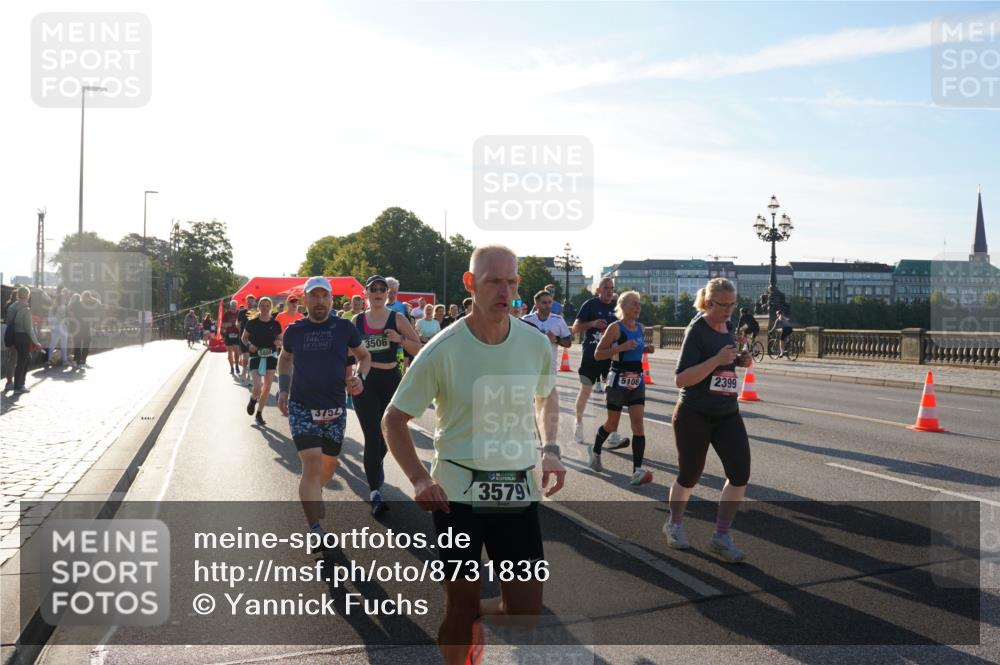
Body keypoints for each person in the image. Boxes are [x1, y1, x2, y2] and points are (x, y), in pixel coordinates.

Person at [382, 245, 566, 665]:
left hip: (517, 490)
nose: (505, 291)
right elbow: (393, 419)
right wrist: (419, 478)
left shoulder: (535, 343)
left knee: (525, 612)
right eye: (493, 281)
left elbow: (546, 394)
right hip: (457, 495)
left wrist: (551, 450)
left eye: (511, 282)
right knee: (459, 604)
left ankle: (474, 617)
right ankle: (464, 625)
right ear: (470, 283)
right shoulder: (441, 349)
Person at [277, 277, 370, 553]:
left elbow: (364, 356)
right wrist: (283, 390)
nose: (319, 301)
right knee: (312, 464)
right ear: (305, 299)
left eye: (324, 296)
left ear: (331, 299)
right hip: (302, 407)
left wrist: (360, 377)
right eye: (314, 296)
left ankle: (314, 493)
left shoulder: (344, 328)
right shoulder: (295, 331)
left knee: (328, 467)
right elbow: (284, 358)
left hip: (335, 408)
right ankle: (315, 529)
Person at [667, 278, 752, 563]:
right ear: (707, 302)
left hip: (727, 413)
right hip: (694, 413)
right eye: (723, 305)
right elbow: (681, 379)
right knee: (690, 475)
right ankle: (674, 524)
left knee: (740, 473)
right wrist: (717, 360)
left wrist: (738, 361)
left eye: (733, 305)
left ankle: (721, 536)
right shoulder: (697, 330)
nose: (729, 311)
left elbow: (724, 365)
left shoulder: (729, 326)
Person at [351, 275, 422, 516]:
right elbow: (349, 353)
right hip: (366, 382)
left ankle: (375, 462)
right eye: (374, 289)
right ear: (367, 293)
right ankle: (375, 493)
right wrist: (350, 378)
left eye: (383, 289)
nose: (379, 292)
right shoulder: (357, 320)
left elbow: (419, 348)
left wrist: (400, 339)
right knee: (372, 436)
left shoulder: (397, 318)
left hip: (391, 382)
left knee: (385, 437)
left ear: (387, 293)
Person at [588, 291, 655, 485]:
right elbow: (598, 354)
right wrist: (620, 347)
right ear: (623, 306)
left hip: (637, 381)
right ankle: (595, 450)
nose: (638, 307)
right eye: (634, 303)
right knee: (612, 424)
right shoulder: (615, 328)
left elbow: (635, 348)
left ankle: (637, 471)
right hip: (617, 380)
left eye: (639, 304)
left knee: (638, 424)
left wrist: (646, 349)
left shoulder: (641, 328)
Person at [571, 278, 627, 449]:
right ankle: (579, 423)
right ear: (598, 290)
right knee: (586, 391)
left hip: (611, 355)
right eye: (606, 288)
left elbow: (625, 327)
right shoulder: (590, 305)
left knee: (613, 394)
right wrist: (592, 323)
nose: (609, 291)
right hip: (591, 355)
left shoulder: (617, 307)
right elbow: (575, 328)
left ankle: (613, 433)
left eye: (611, 288)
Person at [521, 289, 572, 449]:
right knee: (532, 403)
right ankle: (539, 435)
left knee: (543, 404)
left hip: (549, 368)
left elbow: (568, 342)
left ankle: (543, 439)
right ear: (536, 304)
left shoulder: (558, 320)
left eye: (550, 302)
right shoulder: (526, 320)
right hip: (529, 367)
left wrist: (555, 339)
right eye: (544, 303)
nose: (548, 306)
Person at [242, 297, 282, 426]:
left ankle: (259, 413)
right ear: (259, 307)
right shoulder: (252, 323)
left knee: (267, 387)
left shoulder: (275, 324)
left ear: (271, 308)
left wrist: (278, 342)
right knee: (257, 386)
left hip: (271, 356)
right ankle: (253, 399)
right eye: (262, 305)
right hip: (256, 356)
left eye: (267, 305)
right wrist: (249, 345)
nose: (265, 308)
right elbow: (244, 338)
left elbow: (280, 339)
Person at [6, 287, 42, 393]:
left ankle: (13, 383)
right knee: (23, 361)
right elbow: (29, 328)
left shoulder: (12, 306)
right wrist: (36, 342)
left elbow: (9, 322)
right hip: (22, 336)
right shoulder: (26, 309)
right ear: (28, 295)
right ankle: (19, 386)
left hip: (12, 335)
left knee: (18, 359)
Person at [237, 295, 259, 384]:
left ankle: (249, 375)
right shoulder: (242, 312)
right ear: (246, 302)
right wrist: (239, 328)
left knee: (252, 357)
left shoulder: (256, 312)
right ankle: (244, 371)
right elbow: (238, 323)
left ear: (254, 302)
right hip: (244, 337)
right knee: (246, 357)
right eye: (248, 301)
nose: (250, 303)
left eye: (251, 301)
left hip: (254, 338)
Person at [2, 290, 19, 391]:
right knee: (13, 358)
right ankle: (10, 382)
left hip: (6, 331)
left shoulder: (8, 305)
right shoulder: (16, 307)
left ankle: (10, 380)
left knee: (10, 357)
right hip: (13, 333)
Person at [47, 291, 69, 367]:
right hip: (63, 327)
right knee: (64, 345)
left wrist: (51, 327)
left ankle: (49, 360)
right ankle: (64, 361)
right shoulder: (64, 307)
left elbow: (49, 318)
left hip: (55, 326)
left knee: (52, 344)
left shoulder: (52, 308)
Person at [220, 300, 242, 375]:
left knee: (236, 351)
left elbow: (242, 322)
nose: (233, 307)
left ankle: (236, 366)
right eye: (232, 306)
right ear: (230, 306)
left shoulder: (239, 313)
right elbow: (222, 324)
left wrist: (239, 325)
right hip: (229, 334)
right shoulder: (227, 314)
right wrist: (227, 324)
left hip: (237, 334)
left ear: (237, 306)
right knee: (229, 352)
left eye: (235, 306)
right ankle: (232, 368)